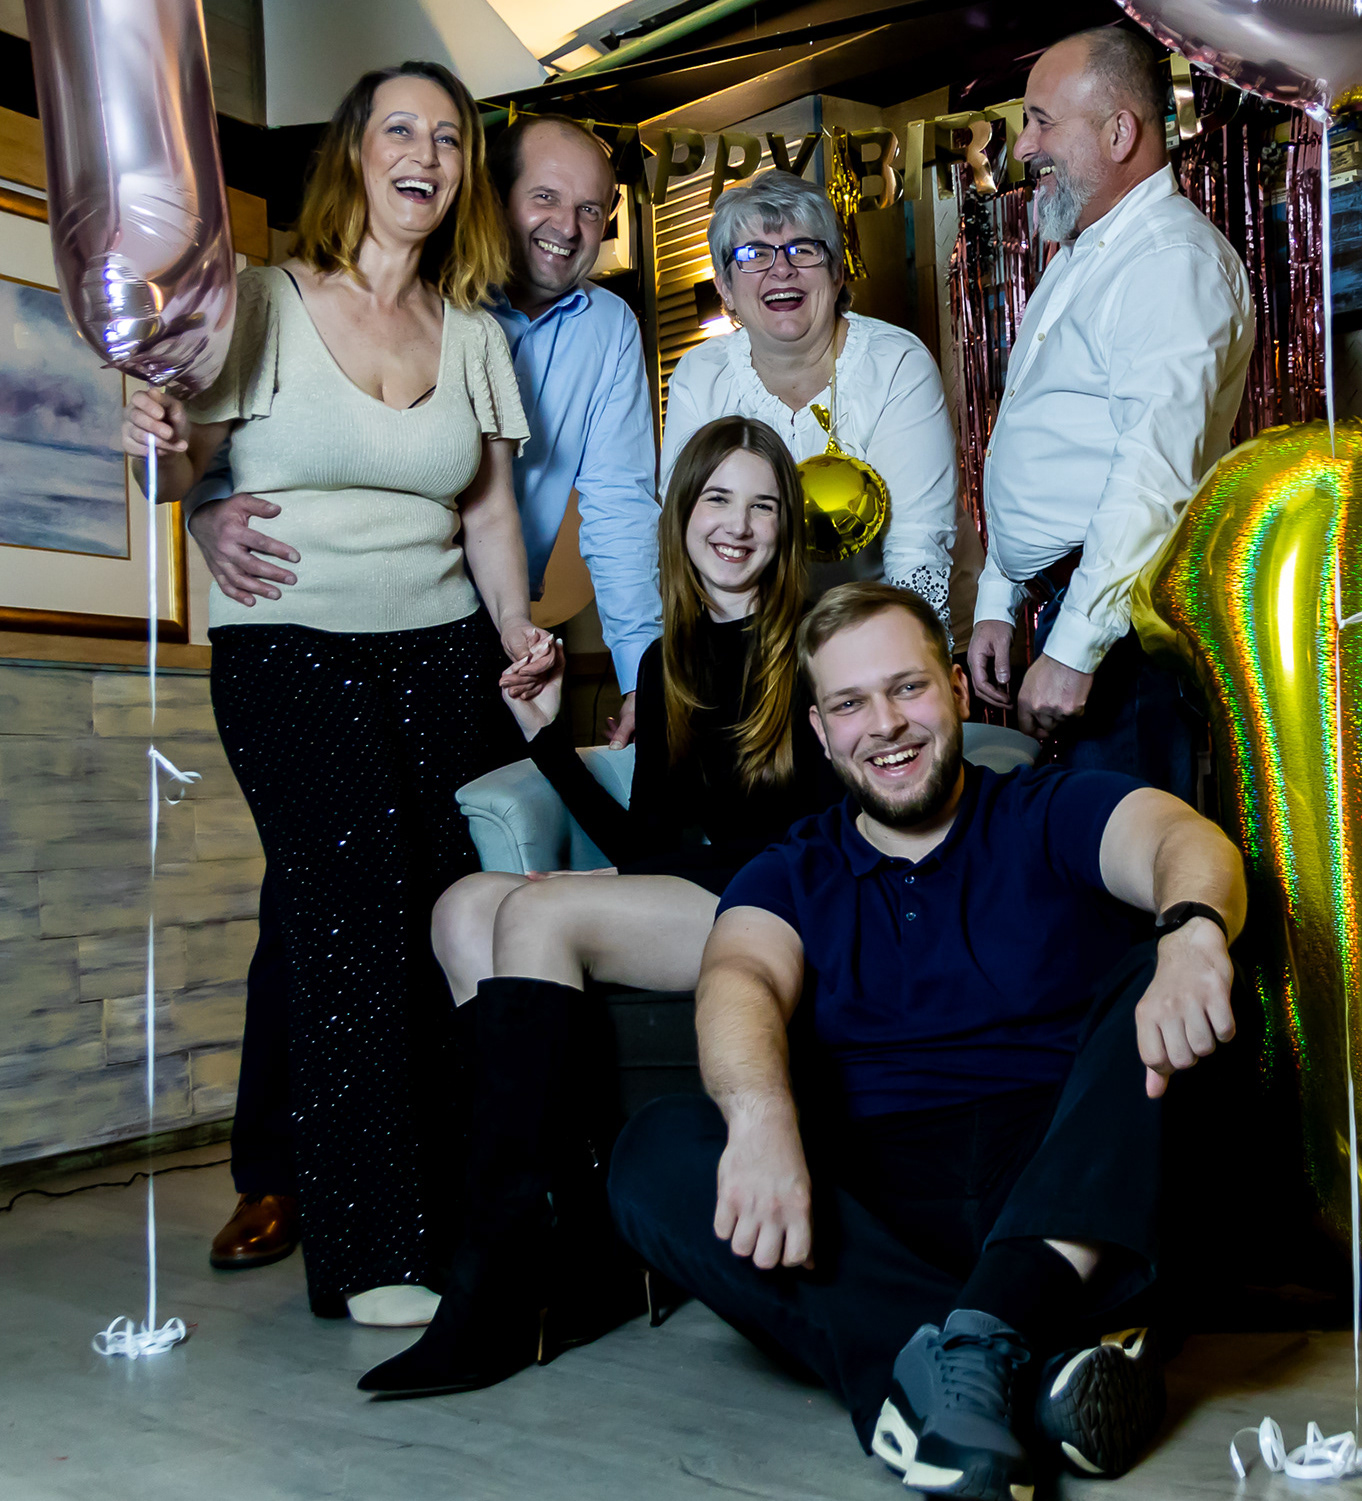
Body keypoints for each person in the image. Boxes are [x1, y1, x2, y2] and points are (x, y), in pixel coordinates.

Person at [608, 583, 1247, 1499]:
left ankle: (952, 1362)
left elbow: (1180, 838)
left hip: (1063, 1181)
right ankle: (1032, 1358)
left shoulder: (1044, 808)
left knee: (1170, 975)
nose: (885, 725)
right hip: (876, 1203)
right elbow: (738, 977)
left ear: (954, 688)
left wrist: (1190, 932)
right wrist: (758, 1118)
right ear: (821, 731)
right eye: (850, 703)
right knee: (654, 1151)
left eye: (906, 688)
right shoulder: (792, 869)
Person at [121, 61, 560, 1326]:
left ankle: (456, 1212)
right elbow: (177, 475)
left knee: (449, 913)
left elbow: (488, 512)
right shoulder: (259, 301)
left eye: (451, 136)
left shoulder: (473, 333)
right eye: (400, 129)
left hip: (441, 651)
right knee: (348, 909)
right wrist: (162, 455)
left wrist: (517, 635)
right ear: (354, 155)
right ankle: (370, 1247)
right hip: (289, 647)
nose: (427, 152)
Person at [201, 111, 660, 1276]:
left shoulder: (606, 328)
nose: (568, 228)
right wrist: (204, 511)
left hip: (478, 631)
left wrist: (645, 672)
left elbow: (614, 503)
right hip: (337, 628)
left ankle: (442, 1169)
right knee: (320, 891)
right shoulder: (406, 288)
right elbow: (241, 430)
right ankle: (280, 1169)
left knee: (454, 882)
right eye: (545, 198)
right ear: (492, 197)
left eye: (593, 211)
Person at [358, 416, 844, 1398]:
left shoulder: (818, 642)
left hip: (791, 901)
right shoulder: (667, 661)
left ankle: (493, 1279)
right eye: (718, 498)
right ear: (684, 513)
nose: (738, 525)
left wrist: (590, 896)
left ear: (787, 527)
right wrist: (545, 734)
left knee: (540, 916)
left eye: (763, 505)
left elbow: (821, 834)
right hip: (698, 890)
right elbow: (647, 842)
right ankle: (574, 1233)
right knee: (465, 907)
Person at [967, 27, 1253, 803]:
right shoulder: (1085, 251)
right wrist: (999, 597)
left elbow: (1151, 472)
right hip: (1071, 610)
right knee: (1079, 856)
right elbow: (1050, 442)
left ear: (1120, 133)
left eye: (1041, 122)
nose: (1024, 147)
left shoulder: (1168, 260)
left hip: (1119, 634)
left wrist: (1075, 647)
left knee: (1124, 855)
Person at [662, 170, 957, 627]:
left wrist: (903, 655)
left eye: (803, 249)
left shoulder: (896, 363)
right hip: (747, 631)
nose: (781, 269)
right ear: (725, 287)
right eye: (754, 254)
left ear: (837, 272)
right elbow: (685, 530)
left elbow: (916, 546)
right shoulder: (700, 374)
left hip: (873, 627)